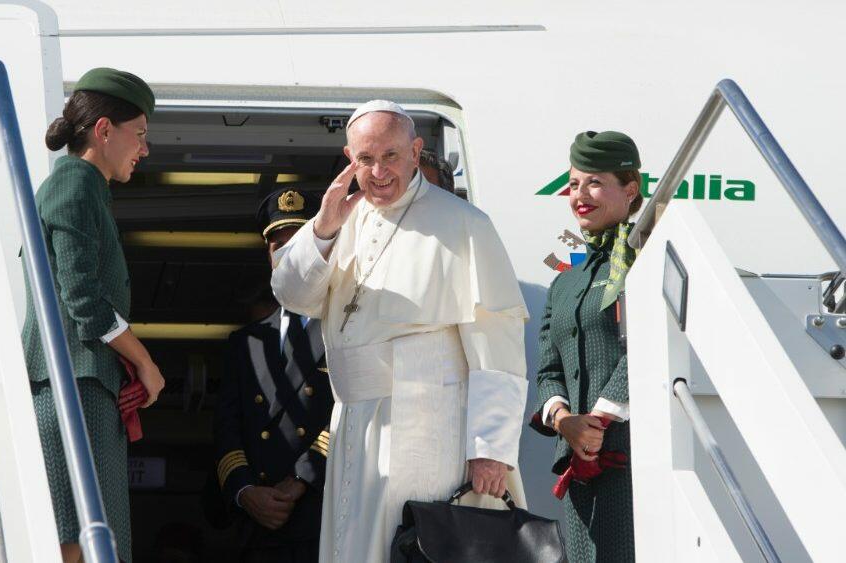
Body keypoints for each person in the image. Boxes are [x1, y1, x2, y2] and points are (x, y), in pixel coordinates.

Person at [271, 100, 529, 562]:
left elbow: (498, 342)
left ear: (415, 151)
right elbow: (291, 294)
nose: (378, 171)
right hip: (354, 419)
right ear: (350, 159)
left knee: (415, 545)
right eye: (365, 160)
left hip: (428, 420)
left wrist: (490, 449)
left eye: (390, 156)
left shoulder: (465, 224)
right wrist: (325, 229)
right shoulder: (340, 219)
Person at [22, 67, 166, 563]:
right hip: (71, 384)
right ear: (104, 130)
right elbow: (82, 297)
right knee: (74, 540)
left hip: (83, 384)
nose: (144, 150)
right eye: (140, 135)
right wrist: (145, 362)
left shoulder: (85, 187)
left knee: (89, 538)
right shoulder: (74, 184)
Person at [529, 130, 643, 562]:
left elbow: (651, 345)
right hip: (579, 463)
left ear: (630, 189)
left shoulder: (646, 259)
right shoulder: (566, 278)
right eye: (574, 184)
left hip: (632, 454)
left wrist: (597, 420)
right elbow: (547, 368)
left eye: (594, 182)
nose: (580, 194)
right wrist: (564, 422)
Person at [214, 189, 334, 563]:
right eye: (276, 245)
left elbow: (353, 415)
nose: (284, 253)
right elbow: (226, 430)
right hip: (259, 526)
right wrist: (245, 490)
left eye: (296, 242)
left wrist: (300, 480)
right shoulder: (246, 342)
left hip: (321, 514)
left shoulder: (345, 326)